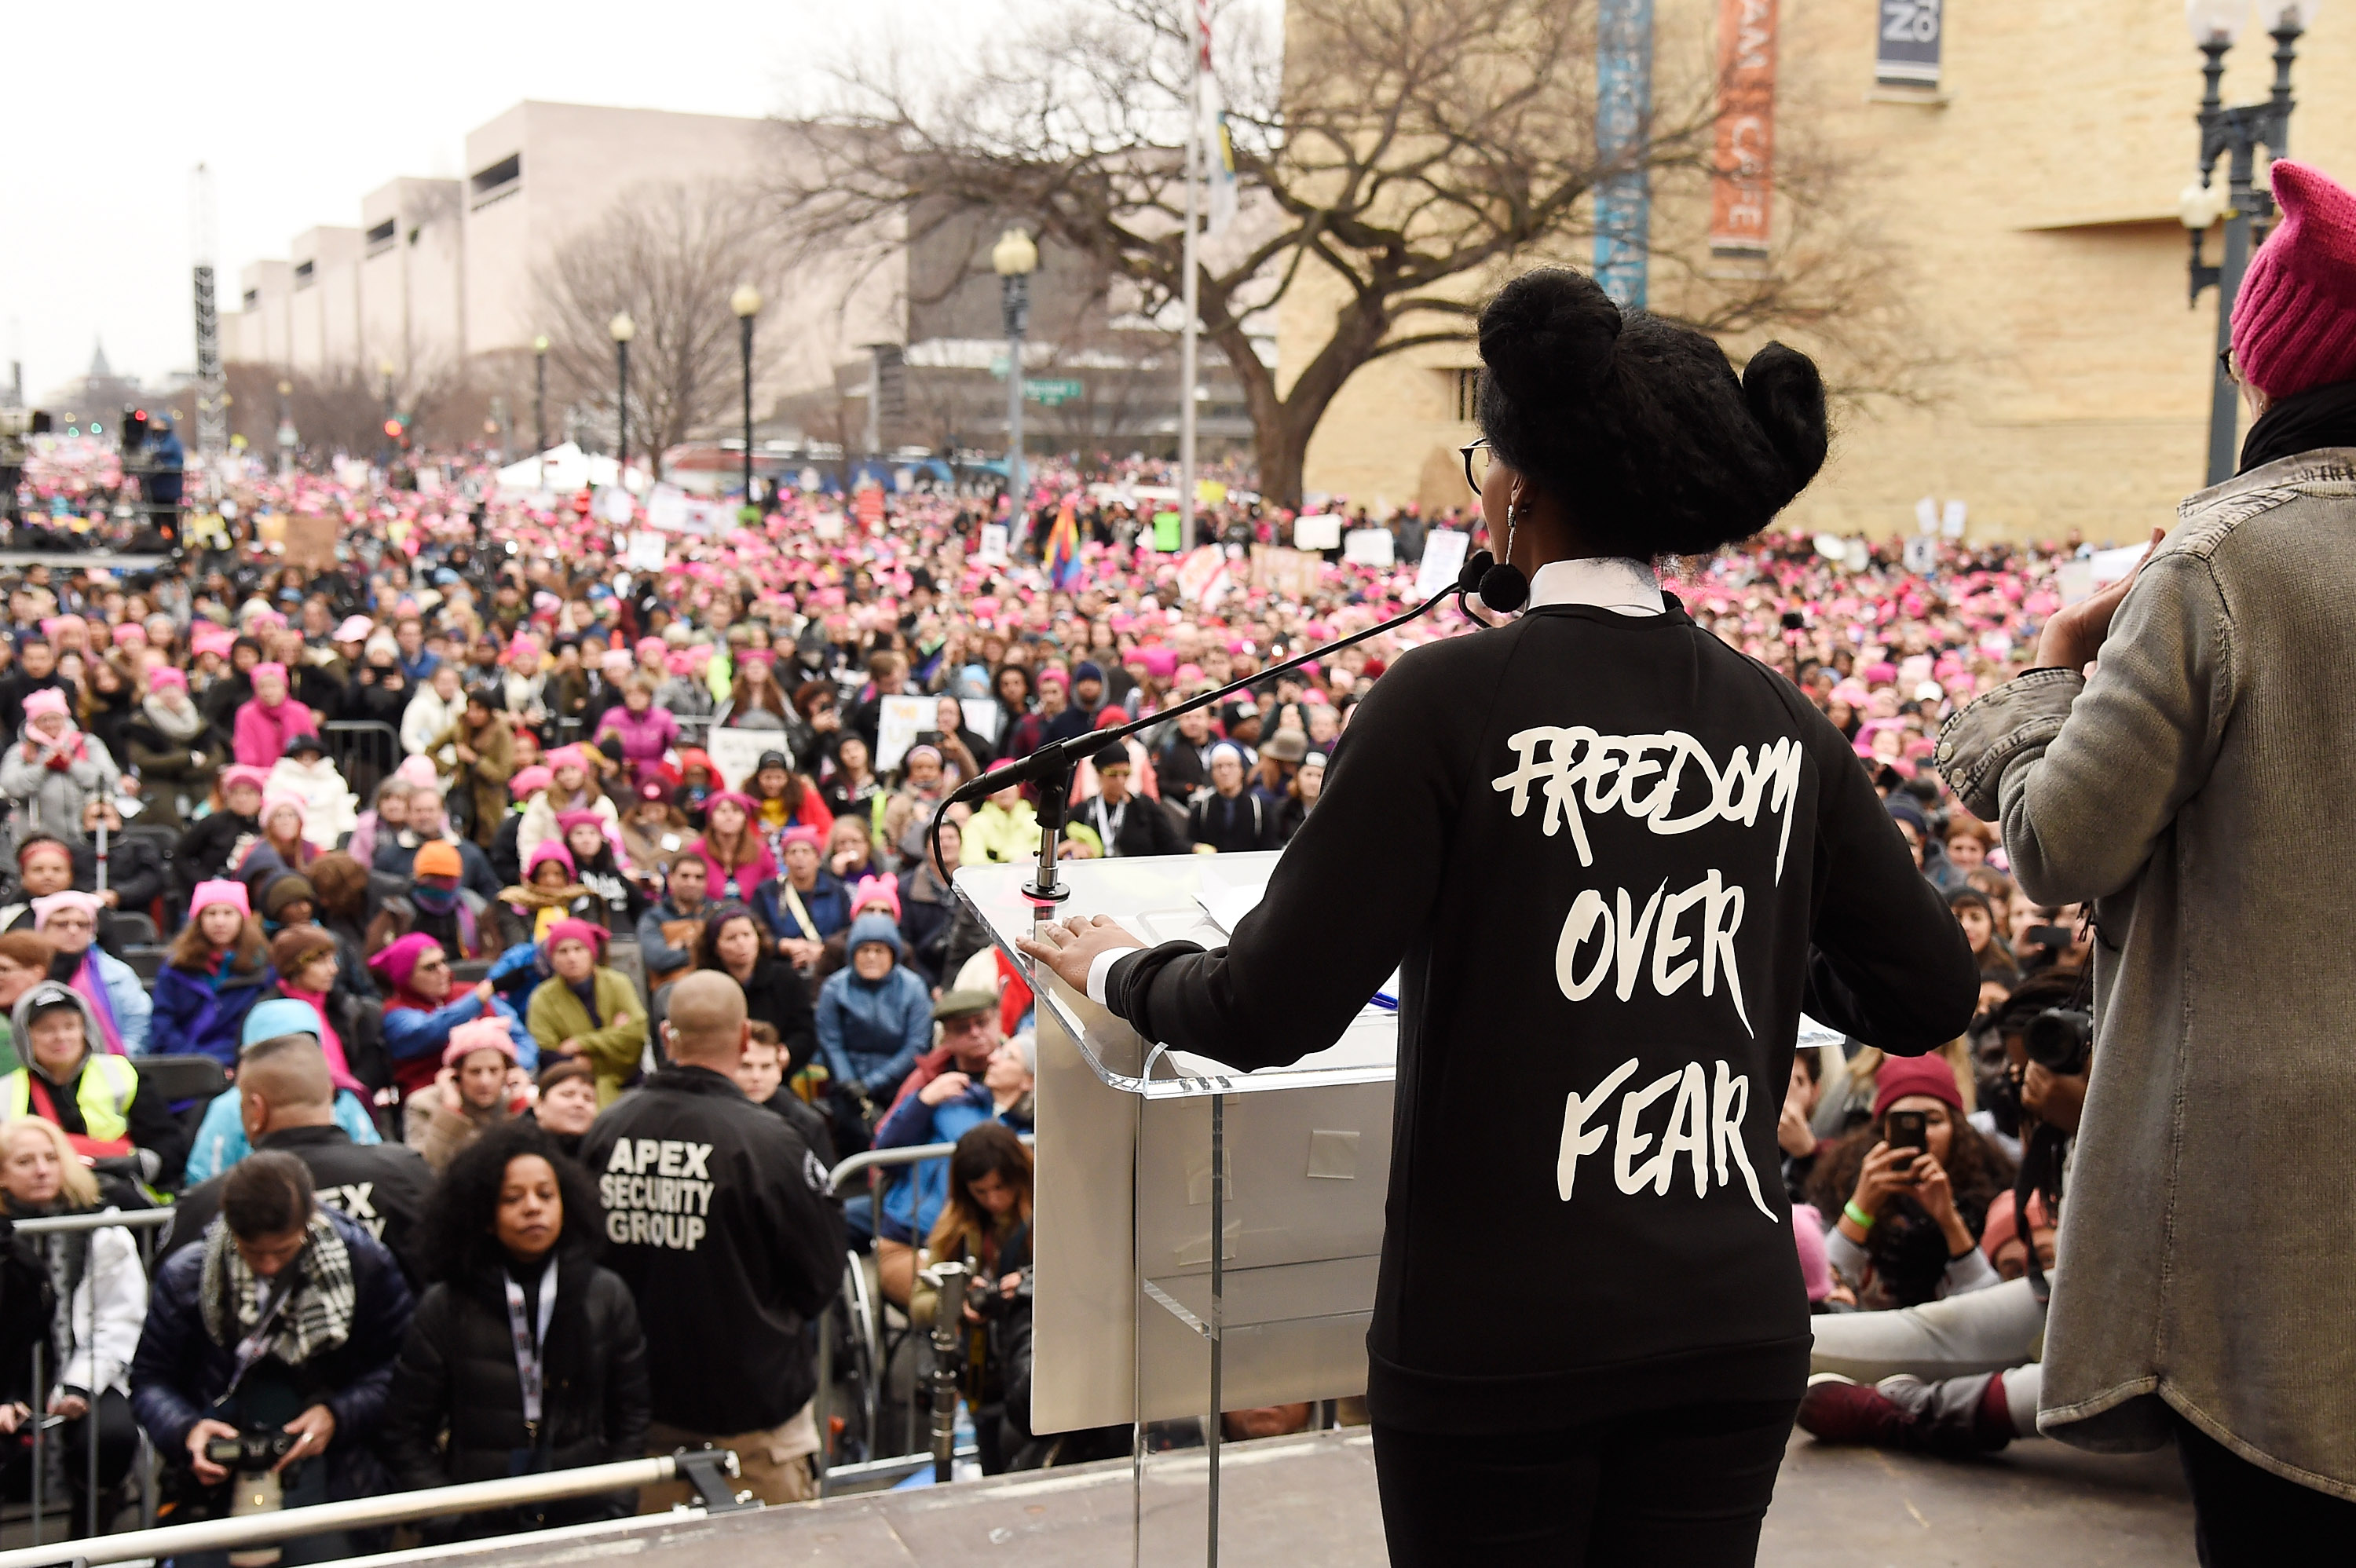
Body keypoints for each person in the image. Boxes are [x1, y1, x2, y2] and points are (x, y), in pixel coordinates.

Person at [1019, 266, 1977, 1564]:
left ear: (1517, 491)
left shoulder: (1446, 704)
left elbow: (1264, 1008)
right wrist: (1737, 924)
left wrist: (1125, 971)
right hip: (1728, 1331)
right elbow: (1924, 987)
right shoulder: (1777, 718)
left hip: (1498, 1344)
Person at [1932, 157, 2356, 1555]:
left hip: (2260, 1198)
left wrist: (2050, 673)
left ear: (2271, 362)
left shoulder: (2226, 561)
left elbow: (2062, 840)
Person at [580, 971, 843, 1509]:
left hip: (641, 1417)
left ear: (668, 1036)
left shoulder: (607, 1130)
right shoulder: (770, 1143)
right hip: (752, 1432)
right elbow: (819, 1280)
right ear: (746, 1037)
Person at [130, 1152, 413, 1566]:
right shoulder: (188, 1275)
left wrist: (337, 1415)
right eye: (252, 1251)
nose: (267, 1265)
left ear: (308, 1220)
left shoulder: (365, 1266)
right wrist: (188, 1431)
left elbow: (399, 1370)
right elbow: (151, 1379)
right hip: (214, 1486)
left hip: (332, 1475)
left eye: (282, 1251)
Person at [382, 1121, 651, 1539]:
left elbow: (631, 1416)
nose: (532, 1207)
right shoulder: (447, 1306)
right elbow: (405, 1431)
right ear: (483, 1216)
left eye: (546, 1195)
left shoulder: (605, 1295)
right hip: (478, 1525)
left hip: (584, 1519)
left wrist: (615, 1504)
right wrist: (445, 1520)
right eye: (512, 1198)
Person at [169, 1029, 433, 1284]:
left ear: (255, 1109)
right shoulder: (406, 1173)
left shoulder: (210, 1203)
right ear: (329, 1094)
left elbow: (173, 1293)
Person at [0, 1117, 146, 1532]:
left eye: (51, 1158)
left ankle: (87, 1542)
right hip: (11, 1379)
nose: (43, 1169)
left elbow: (120, 1316)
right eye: (25, 1161)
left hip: (88, 1368)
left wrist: (81, 1383)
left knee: (111, 1437)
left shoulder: (101, 1223)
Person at [1804, 1054, 2011, 1309]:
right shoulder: (1839, 1187)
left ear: (1957, 1129)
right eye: (1904, 1123)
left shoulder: (1990, 1192)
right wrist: (1861, 1207)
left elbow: (1994, 1310)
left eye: (1934, 1120)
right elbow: (1819, 1288)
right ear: (1881, 1130)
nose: (1923, 1134)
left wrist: (1950, 1221)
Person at [873, 1025, 1033, 1310]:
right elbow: (885, 1154)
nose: (993, 1058)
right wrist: (922, 1102)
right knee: (948, 1305)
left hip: (983, 1245)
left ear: (1029, 1080)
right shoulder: (950, 1102)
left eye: (1007, 1057)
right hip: (909, 1237)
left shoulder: (1030, 1134)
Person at [905, 1123, 1034, 1475]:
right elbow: (918, 1304)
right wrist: (958, 1300)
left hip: (1034, 1369)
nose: (993, 1199)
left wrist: (1026, 1285)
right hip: (984, 1375)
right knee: (994, 1465)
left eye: (1001, 1187)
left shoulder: (1049, 1212)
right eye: (981, 1191)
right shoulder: (958, 1224)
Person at [371, 934, 535, 1109]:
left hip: (496, 1091)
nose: (444, 971)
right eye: (430, 967)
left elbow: (523, 1040)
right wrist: (477, 1000)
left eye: (443, 962)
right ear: (405, 977)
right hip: (436, 1098)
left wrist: (513, 1066)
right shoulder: (396, 1012)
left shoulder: (472, 992)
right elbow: (427, 1032)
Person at [814, 913, 931, 1153]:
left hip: (899, 1084)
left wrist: (871, 1084)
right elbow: (831, 1041)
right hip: (847, 1088)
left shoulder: (914, 988)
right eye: (864, 950)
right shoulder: (835, 988)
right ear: (852, 953)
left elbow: (917, 1045)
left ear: (893, 954)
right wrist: (849, 1083)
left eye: (879, 950)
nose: (871, 957)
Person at [149, 880, 276, 1072]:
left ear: (242, 918)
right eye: (211, 913)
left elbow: (262, 1026)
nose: (219, 921)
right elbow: (163, 1022)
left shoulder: (262, 969)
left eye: (228, 913)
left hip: (242, 1065)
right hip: (184, 1065)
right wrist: (195, 1063)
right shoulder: (175, 967)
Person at [525, 919, 646, 1106]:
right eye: (563, 951)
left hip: (627, 1082)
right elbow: (548, 1054)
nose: (571, 957)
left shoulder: (617, 983)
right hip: (571, 1088)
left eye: (578, 949)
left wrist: (580, 1043)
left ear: (592, 952)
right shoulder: (542, 998)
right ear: (552, 958)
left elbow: (635, 1035)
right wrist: (612, 1038)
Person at [693, 904, 818, 1076]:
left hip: (775, 1076)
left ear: (758, 938)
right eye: (731, 938)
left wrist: (788, 1053)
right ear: (715, 947)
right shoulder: (705, 986)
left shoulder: (785, 978)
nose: (741, 943)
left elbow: (805, 1032)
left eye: (747, 935)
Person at [406, 1018, 529, 1175]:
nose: (485, 1081)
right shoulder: (423, 1105)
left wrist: (519, 1109)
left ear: (507, 1073)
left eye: (494, 1070)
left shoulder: (515, 1102)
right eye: (475, 1072)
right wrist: (450, 1112)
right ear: (456, 1075)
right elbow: (427, 1167)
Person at [33, 890, 148, 1054]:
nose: (73, 931)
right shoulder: (25, 971)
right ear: (42, 928)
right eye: (61, 924)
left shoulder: (118, 974)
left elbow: (138, 1025)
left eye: (82, 924)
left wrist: (119, 1061)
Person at [2, 688, 120, 842]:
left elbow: (109, 779)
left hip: (86, 839)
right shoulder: (21, 751)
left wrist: (71, 765)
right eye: (43, 720)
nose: (50, 724)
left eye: (55, 718)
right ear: (33, 722)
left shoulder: (87, 743)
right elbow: (10, 786)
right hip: (38, 839)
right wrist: (44, 768)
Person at [122, 665, 226, 828]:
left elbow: (215, 757)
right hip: (160, 788)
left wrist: (191, 770)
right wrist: (186, 760)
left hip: (198, 785)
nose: (171, 694)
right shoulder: (142, 724)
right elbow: (144, 760)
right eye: (165, 689)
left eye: (175, 689)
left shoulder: (199, 721)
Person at [1065, 742, 1186, 859]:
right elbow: (1058, 847)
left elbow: (1171, 843)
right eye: (1113, 774)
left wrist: (1196, 849)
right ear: (1099, 773)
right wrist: (1073, 845)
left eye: (1126, 773)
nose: (1120, 780)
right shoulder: (1083, 810)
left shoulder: (1144, 807)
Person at [757, 824, 848, 968]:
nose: (799, 857)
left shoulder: (836, 891)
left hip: (828, 965)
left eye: (806, 851)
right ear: (784, 859)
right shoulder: (767, 892)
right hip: (782, 964)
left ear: (818, 858)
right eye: (793, 852)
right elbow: (758, 932)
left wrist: (824, 950)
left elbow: (847, 932)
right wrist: (782, 945)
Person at [174, 766, 266, 891]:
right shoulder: (214, 822)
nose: (241, 799)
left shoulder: (267, 825)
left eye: (248, 793)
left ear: (260, 796)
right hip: (212, 889)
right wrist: (206, 882)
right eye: (235, 792)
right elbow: (181, 855)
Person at [635, 850, 712, 989]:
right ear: (670, 879)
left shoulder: (714, 913)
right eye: (685, 876)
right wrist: (702, 949)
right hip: (670, 988)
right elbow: (657, 959)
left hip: (712, 984)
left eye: (698, 877)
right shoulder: (654, 917)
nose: (691, 882)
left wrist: (681, 945)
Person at [1185, 742, 1272, 853]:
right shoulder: (1201, 810)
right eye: (1219, 766)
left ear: (1241, 770)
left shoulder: (1259, 809)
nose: (1225, 772)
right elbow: (1190, 842)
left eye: (1230, 765)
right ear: (1212, 773)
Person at [231, 661, 319, 770]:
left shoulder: (300, 711)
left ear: (284, 687)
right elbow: (246, 753)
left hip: (296, 777)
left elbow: (311, 749)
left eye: (273, 686)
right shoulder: (246, 714)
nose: (268, 692)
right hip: (259, 776)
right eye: (262, 687)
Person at [526, 1058, 600, 1161]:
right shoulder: (514, 1150)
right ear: (539, 1104)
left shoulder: (602, 1155)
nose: (579, 1104)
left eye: (588, 1098)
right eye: (568, 1095)